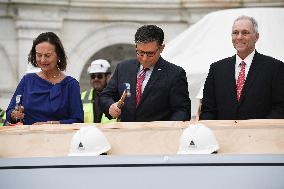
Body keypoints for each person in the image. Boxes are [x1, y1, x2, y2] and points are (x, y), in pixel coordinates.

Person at [100, 25, 191, 122]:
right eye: (140, 53)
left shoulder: (174, 74)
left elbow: (182, 110)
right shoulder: (123, 68)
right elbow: (105, 96)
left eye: (150, 54)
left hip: (158, 134)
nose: (144, 58)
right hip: (126, 133)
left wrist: (167, 129)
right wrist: (110, 106)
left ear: (161, 48)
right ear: (136, 47)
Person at [200, 15, 284, 120]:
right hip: (223, 134)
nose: (239, 37)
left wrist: (260, 130)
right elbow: (208, 110)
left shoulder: (275, 68)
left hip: (260, 134)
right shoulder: (216, 69)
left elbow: (280, 108)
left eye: (245, 33)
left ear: (256, 37)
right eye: (235, 33)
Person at [5, 32, 84, 125]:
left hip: (59, 137)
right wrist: (14, 115)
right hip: (28, 137)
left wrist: (51, 124)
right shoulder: (27, 80)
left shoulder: (71, 84)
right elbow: (10, 112)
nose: (42, 60)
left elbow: (78, 120)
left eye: (47, 55)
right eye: (39, 55)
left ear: (58, 55)